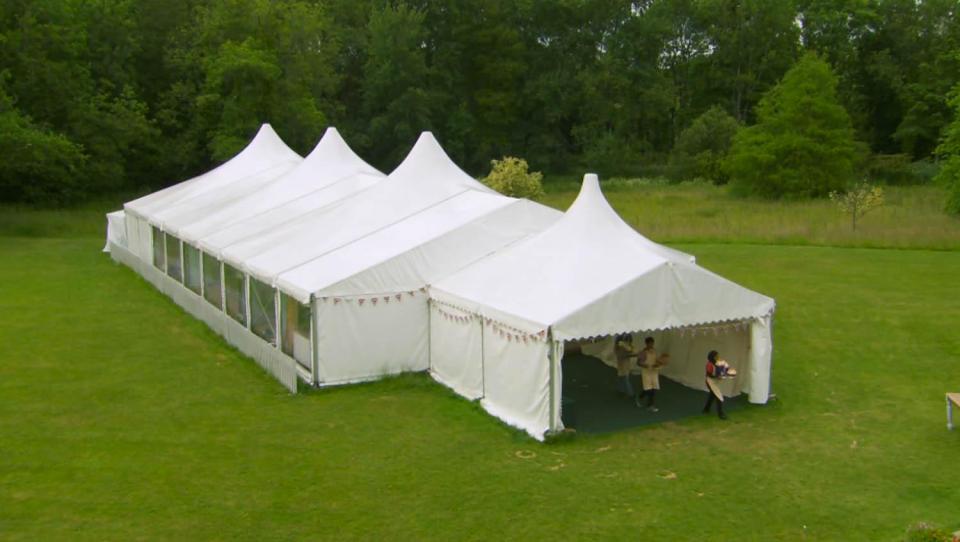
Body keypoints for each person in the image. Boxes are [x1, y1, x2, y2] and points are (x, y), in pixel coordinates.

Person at [635, 337, 661, 412]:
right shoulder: (643, 352)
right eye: (650, 343)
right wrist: (645, 365)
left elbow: (656, 360)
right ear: (646, 344)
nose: (651, 345)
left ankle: (643, 399)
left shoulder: (654, 351)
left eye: (652, 343)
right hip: (646, 373)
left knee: (653, 389)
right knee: (649, 389)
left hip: (654, 372)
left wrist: (659, 363)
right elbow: (638, 363)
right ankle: (649, 405)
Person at [703, 350, 727, 419]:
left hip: (714, 381)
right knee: (718, 396)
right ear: (713, 357)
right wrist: (717, 376)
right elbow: (709, 375)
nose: (718, 357)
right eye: (717, 356)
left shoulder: (717, 363)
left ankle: (706, 409)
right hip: (710, 382)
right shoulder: (709, 364)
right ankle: (721, 414)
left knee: (712, 396)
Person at [614, 333, 637, 398]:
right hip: (621, 361)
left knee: (623, 377)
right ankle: (626, 391)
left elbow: (631, 350)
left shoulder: (627, 344)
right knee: (622, 377)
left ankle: (626, 391)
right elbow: (618, 352)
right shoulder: (619, 343)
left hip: (625, 362)